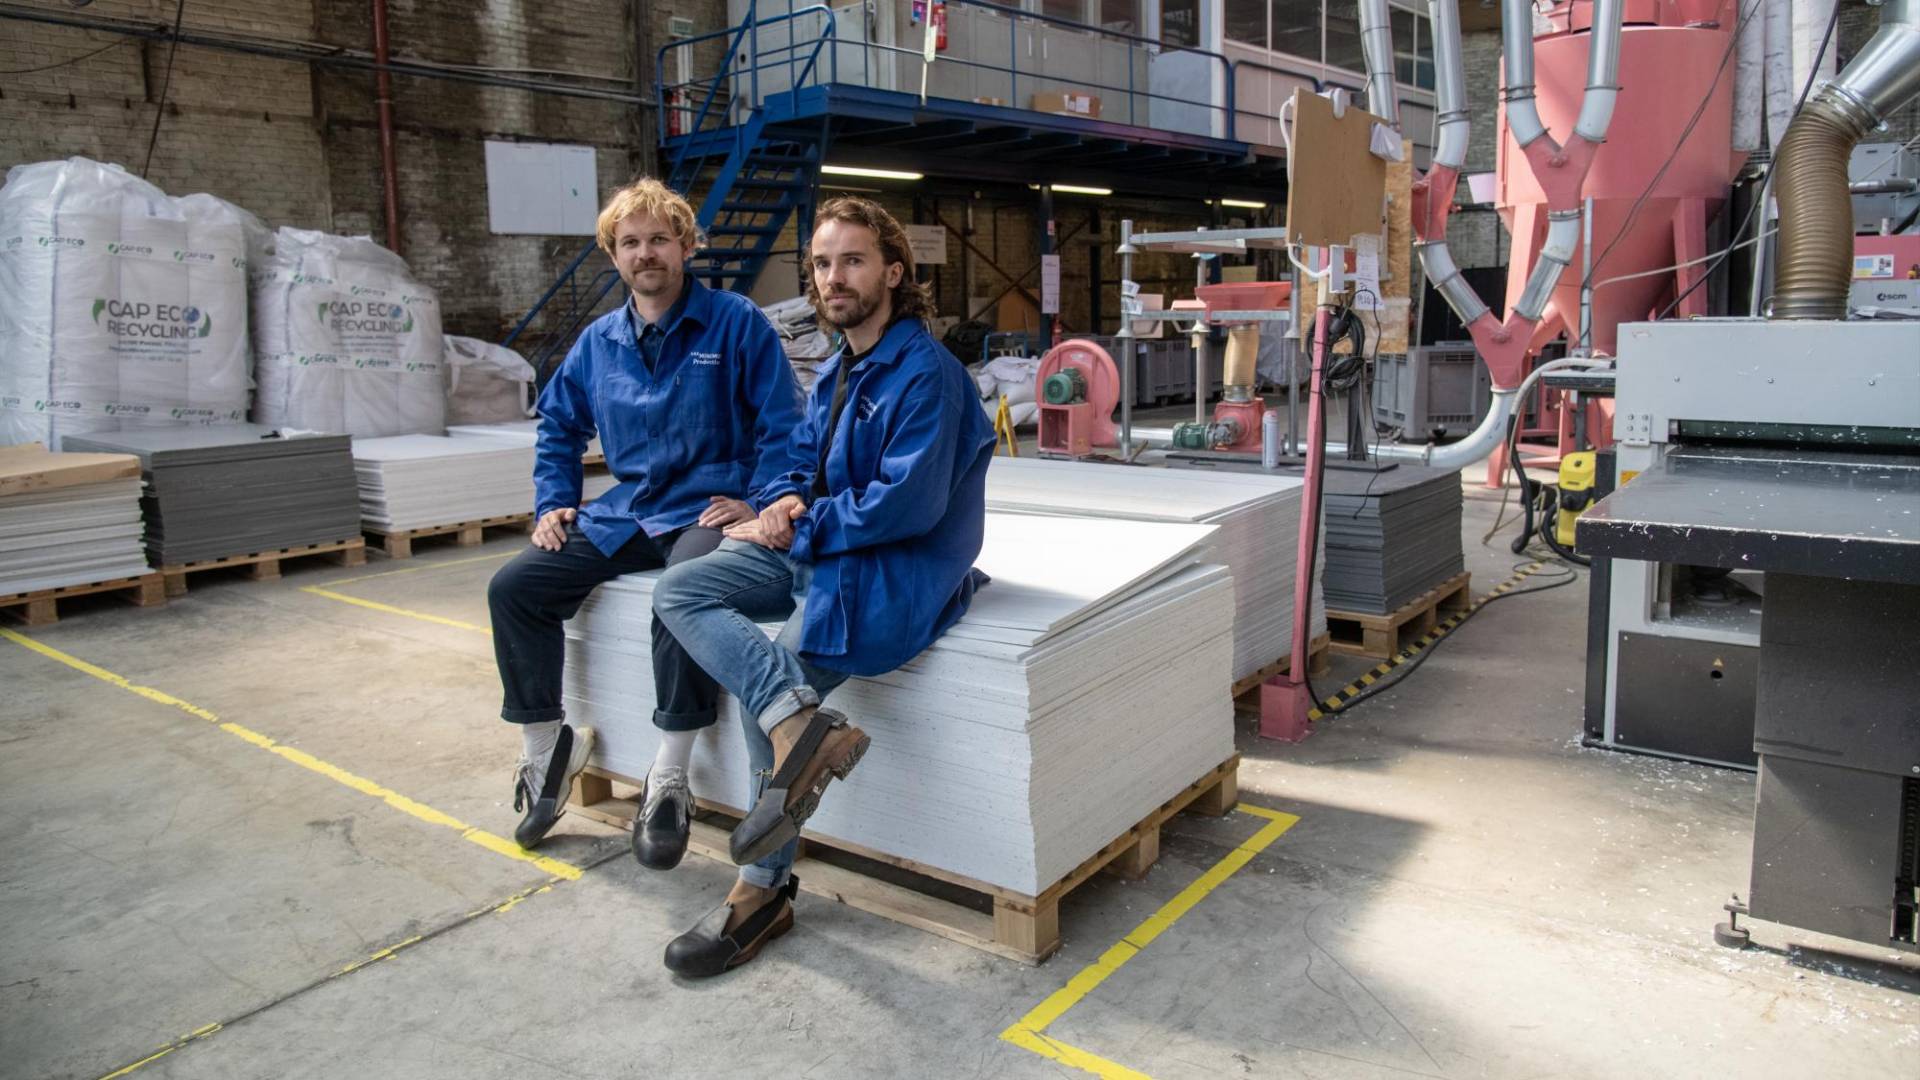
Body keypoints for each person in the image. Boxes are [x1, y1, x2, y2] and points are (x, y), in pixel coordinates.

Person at [650, 196, 995, 978]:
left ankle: (760, 893)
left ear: (894, 273)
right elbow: (800, 460)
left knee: (772, 674)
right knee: (681, 591)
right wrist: (776, 505)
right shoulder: (839, 366)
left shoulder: (927, 378)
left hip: (893, 570)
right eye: (821, 262)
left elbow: (906, 507)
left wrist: (799, 525)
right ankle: (804, 730)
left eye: (853, 260)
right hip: (823, 548)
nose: (832, 277)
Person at [486, 178, 803, 865]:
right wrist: (554, 501)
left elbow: (785, 424)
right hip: (628, 509)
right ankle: (546, 750)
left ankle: (669, 776)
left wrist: (763, 499)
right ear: (614, 256)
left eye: (660, 238)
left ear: (687, 246)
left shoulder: (736, 323)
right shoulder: (599, 343)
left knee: (683, 588)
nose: (646, 253)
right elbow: (558, 426)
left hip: (710, 506)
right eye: (630, 243)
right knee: (514, 589)